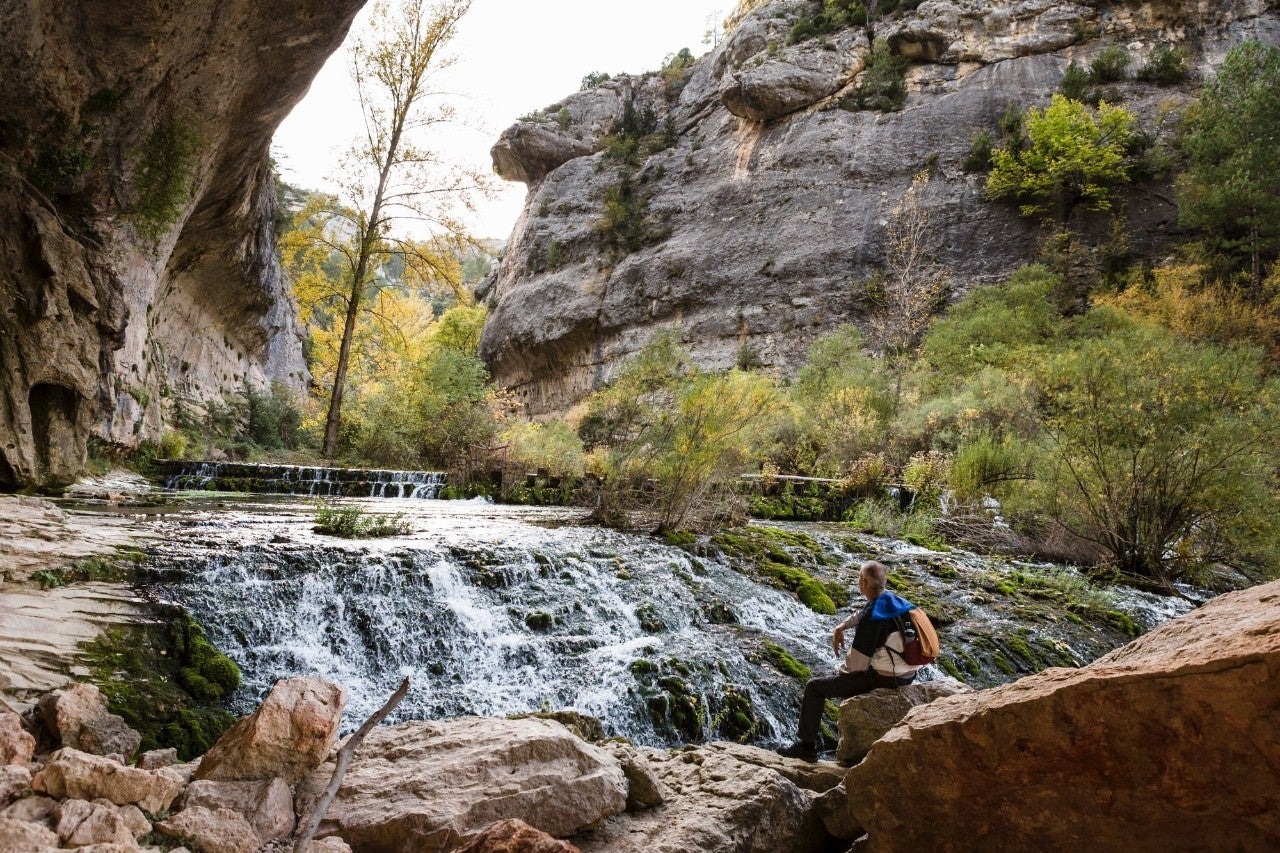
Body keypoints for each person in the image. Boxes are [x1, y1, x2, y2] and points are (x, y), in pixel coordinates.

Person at [777, 560, 921, 761]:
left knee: (814, 687)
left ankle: (806, 747)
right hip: (909, 675)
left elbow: (856, 666)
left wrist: (838, 678)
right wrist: (841, 626)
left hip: (886, 679)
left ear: (863, 582)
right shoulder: (893, 601)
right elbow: (861, 613)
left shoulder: (873, 618)